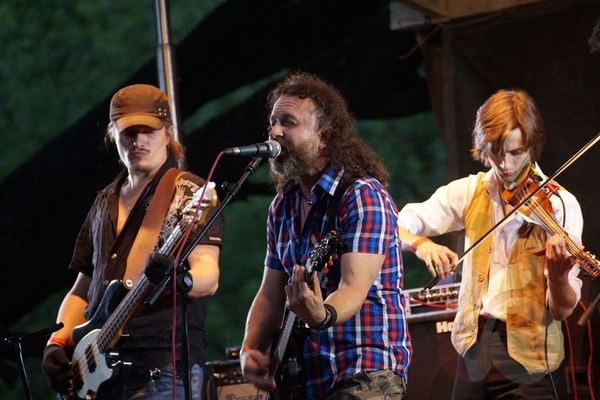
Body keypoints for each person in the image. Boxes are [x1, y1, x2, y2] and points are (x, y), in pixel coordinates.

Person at [41, 84, 224, 399]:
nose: (139, 141)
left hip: (159, 369)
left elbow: (208, 274)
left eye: (148, 131)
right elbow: (82, 290)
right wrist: (56, 342)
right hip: (97, 375)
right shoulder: (103, 202)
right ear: (113, 134)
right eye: (129, 132)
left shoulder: (189, 193)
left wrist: (179, 279)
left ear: (168, 133)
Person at [398, 89, 583, 399]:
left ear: (531, 145)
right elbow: (393, 224)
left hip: (530, 365)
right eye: (496, 152)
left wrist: (559, 275)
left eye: (516, 152)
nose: (506, 165)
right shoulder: (471, 191)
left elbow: (562, 310)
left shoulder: (560, 205)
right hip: (473, 351)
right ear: (483, 146)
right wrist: (421, 244)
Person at [239, 72, 411, 399]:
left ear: (324, 137)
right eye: (272, 123)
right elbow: (270, 295)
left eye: (288, 123)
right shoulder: (282, 207)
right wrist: (250, 348)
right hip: (305, 378)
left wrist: (323, 314)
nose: (275, 132)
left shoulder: (362, 196)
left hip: (364, 368)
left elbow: (353, 287)